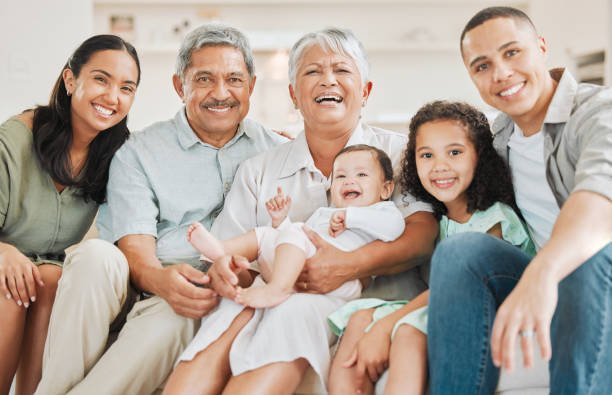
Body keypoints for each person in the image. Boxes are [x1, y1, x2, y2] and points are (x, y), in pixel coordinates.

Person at [163, 27, 438, 395]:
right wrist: (229, 275)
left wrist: (349, 264)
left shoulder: (402, 154)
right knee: (230, 319)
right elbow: (238, 261)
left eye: (341, 70)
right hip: (272, 293)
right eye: (312, 72)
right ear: (293, 94)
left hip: (364, 305)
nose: (328, 80)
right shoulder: (259, 170)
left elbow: (423, 234)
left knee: (286, 313)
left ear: (366, 91)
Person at [34, 24, 287, 395]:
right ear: (178, 86)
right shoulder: (139, 152)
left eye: (234, 79)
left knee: (181, 314)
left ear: (251, 85)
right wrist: (160, 280)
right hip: (147, 282)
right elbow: (135, 249)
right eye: (204, 79)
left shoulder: (278, 151)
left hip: (214, 292)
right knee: (94, 256)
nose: (221, 93)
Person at [427, 7, 612, 395]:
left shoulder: (598, 112)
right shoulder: (499, 139)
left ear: (541, 48)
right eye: (482, 65)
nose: (501, 74)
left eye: (512, 53)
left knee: (587, 255)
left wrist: (545, 272)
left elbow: (600, 198)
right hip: (541, 273)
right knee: (460, 252)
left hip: (594, 270)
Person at [328, 101, 535, 395]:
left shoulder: (495, 216)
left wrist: (386, 325)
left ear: (480, 157)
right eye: (427, 155)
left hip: (488, 305)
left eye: (455, 152)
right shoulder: (435, 222)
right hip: (440, 302)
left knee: (408, 331)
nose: (440, 166)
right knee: (360, 317)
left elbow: (464, 284)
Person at [0, 35, 140, 395]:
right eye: (101, 79)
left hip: (46, 274)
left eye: (127, 87)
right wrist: (4, 252)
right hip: (3, 266)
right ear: (70, 80)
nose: (112, 97)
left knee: (49, 278)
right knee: (13, 289)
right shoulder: (15, 139)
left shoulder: (121, 155)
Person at [185, 145, 404, 309]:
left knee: (296, 232)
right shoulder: (324, 214)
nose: (348, 181)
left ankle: (276, 290)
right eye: (340, 176)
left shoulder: (384, 211)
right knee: (267, 233)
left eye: (362, 175)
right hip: (299, 272)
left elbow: (394, 229)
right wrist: (281, 222)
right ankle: (223, 250)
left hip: (342, 281)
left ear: (386, 189)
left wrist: (350, 216)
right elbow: (293, 244)